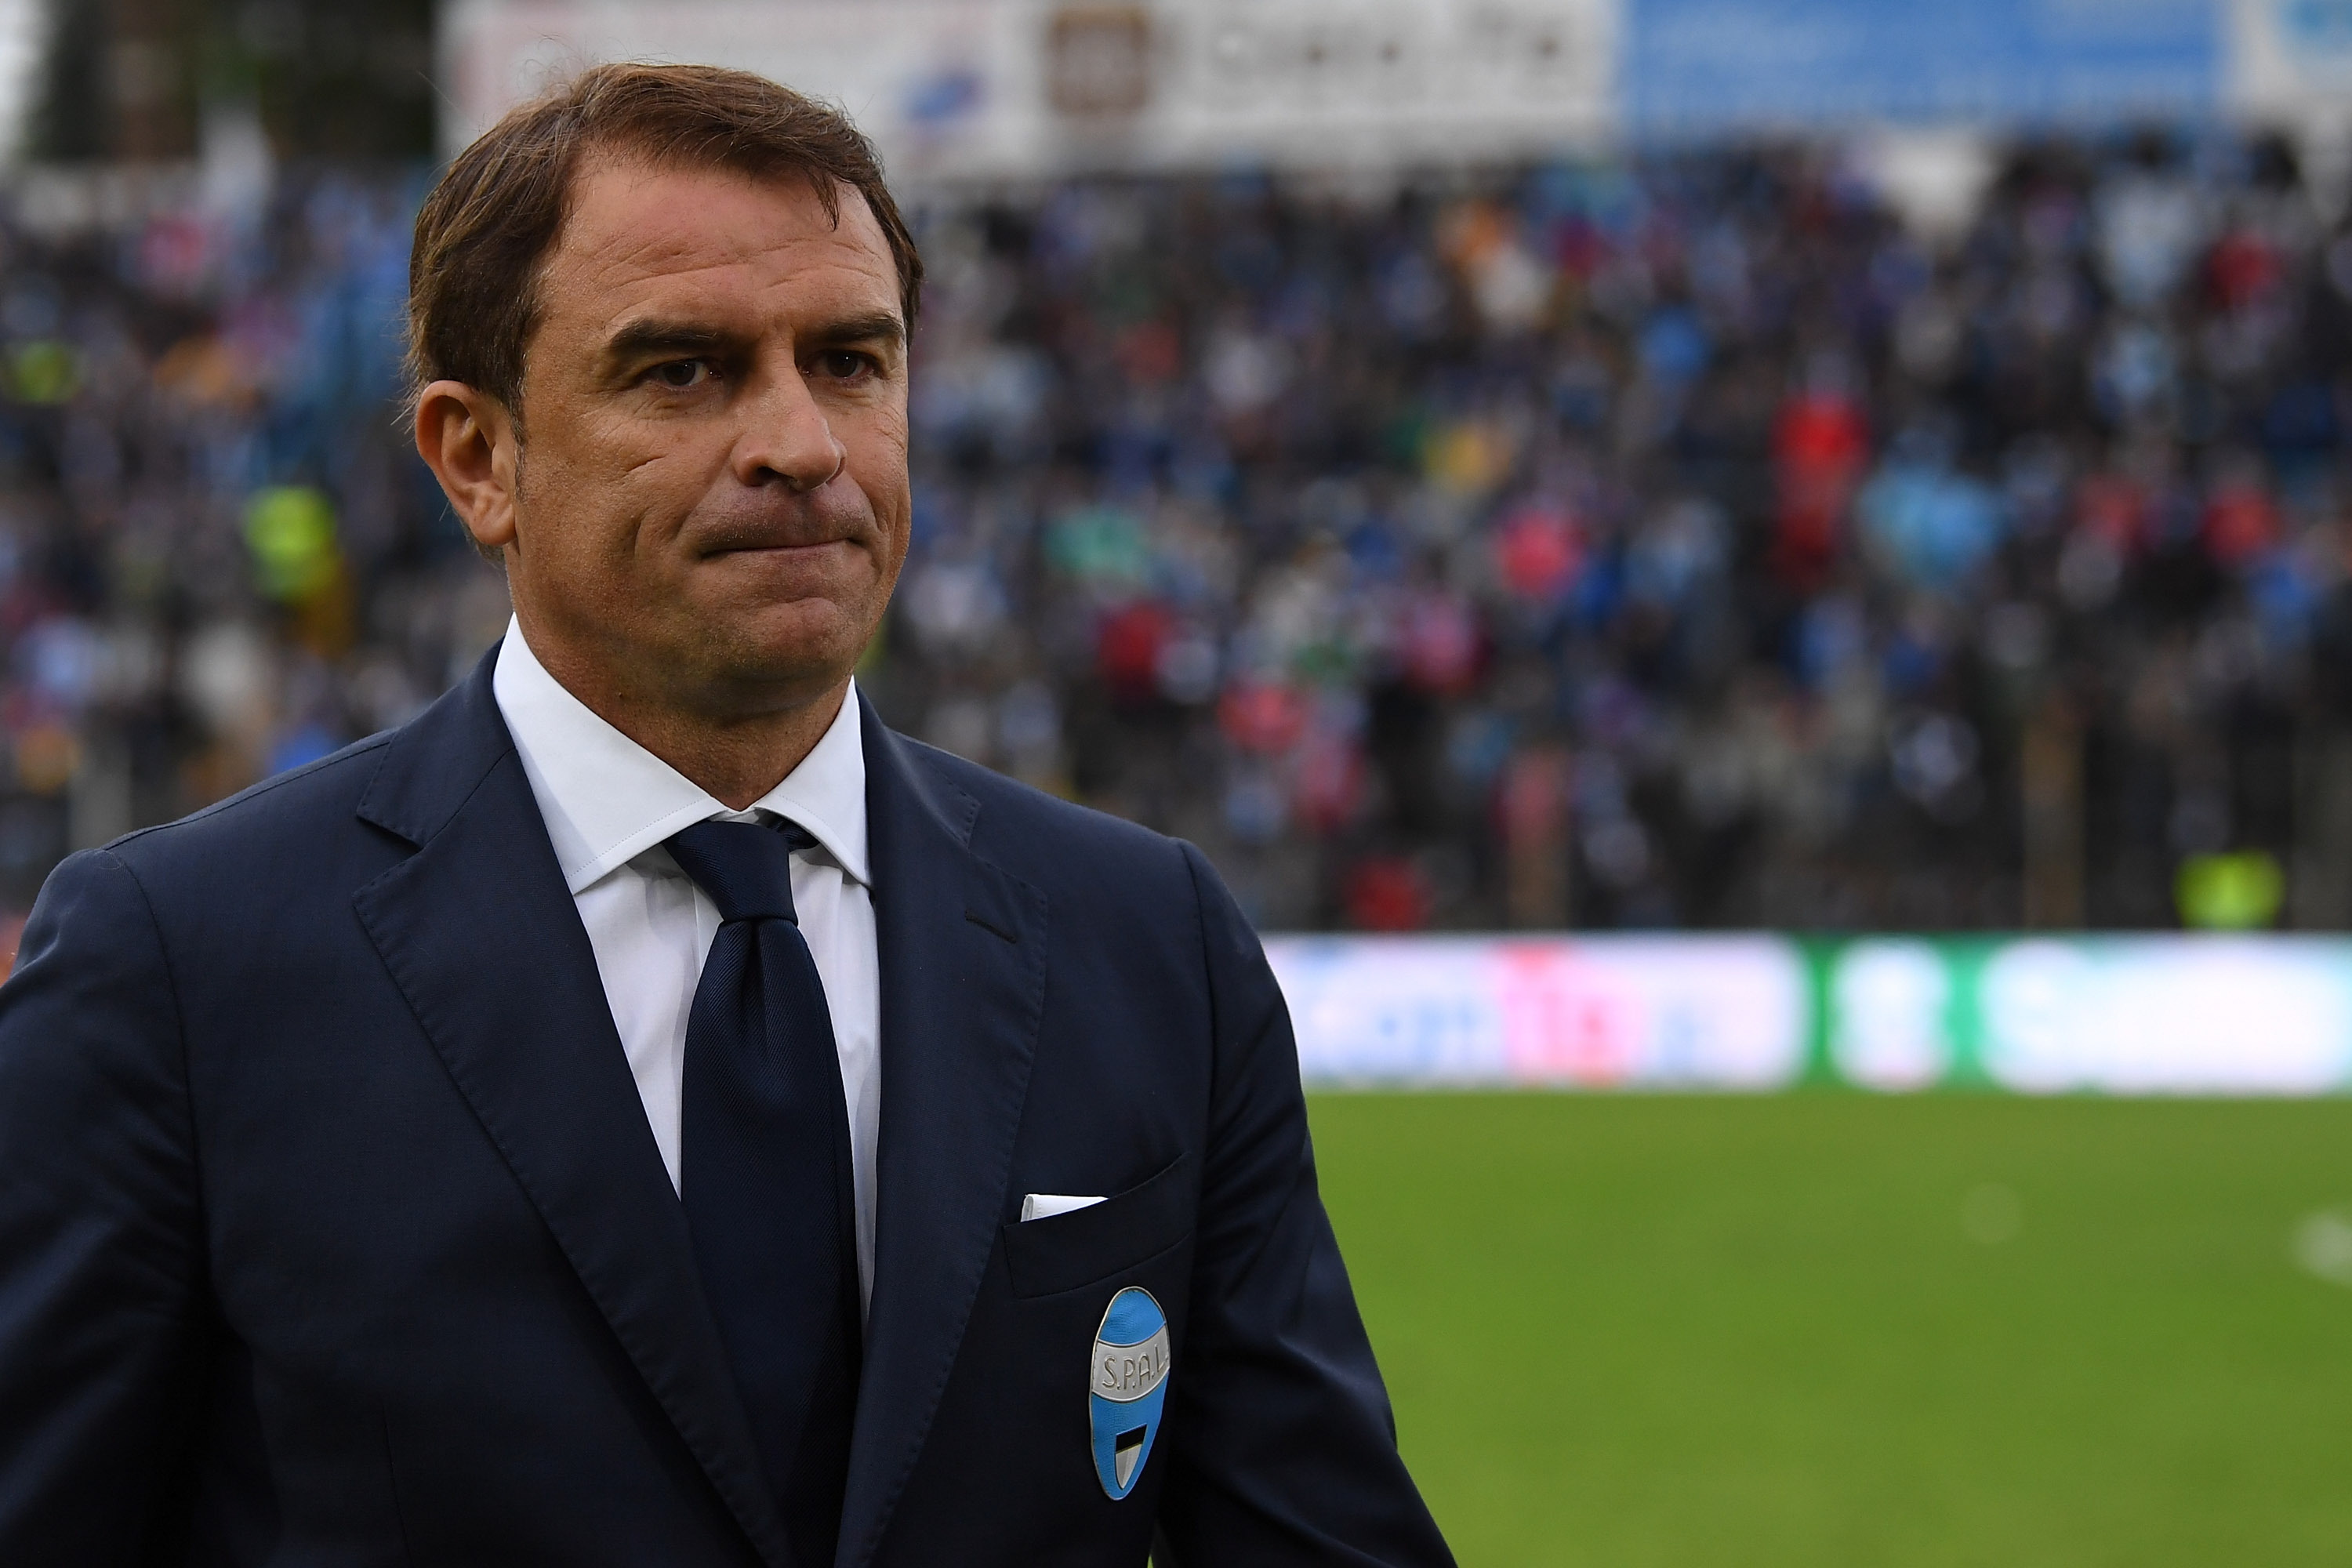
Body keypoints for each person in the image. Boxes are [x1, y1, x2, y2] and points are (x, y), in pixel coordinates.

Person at [0, 63, 1454, 1567]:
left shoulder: (1149, 942)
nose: (802, 443)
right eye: (682, 371)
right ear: (478, 458)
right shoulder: (176, 971)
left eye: (850, 362)